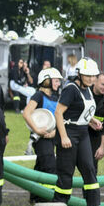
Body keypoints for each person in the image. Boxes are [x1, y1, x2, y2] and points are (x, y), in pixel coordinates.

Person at [54, 57, 103, 206]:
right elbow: (58, 113)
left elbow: (77, 111)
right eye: (87, 75)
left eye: (93, 76)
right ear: (79, 74)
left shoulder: (87, 89)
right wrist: (63, 137)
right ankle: (60, 204)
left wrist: (91, 120)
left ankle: (94, 205)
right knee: (66, 170)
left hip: (83, 133)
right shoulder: (71, 89)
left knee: (89, 168)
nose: (90, 78)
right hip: (69, 133)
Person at [23, 67, 62, 199]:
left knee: (41, 166)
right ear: (47, 81)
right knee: (50, 165)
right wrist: (37, 130)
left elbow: (59, 117)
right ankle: (47, 197)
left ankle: (35, 196)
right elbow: (27, 113)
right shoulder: (38, 95)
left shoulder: (56, 97)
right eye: (56, 81)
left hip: (51, 137)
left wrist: (55, 132)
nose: (59, 84)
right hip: (40, 138)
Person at [87, 73, 104, 170]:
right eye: (103, 84)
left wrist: (102, 147)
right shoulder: (85, 93)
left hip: (95, 136)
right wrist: (90, 122)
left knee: (92, 168)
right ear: (95, 81)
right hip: (79, 132)